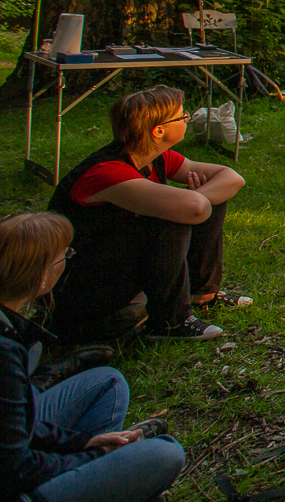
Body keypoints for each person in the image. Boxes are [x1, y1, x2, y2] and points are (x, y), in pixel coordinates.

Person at [0, 211, 186, 502]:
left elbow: (4, 425)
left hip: (11, 457)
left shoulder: (1, 329)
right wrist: (94, 456)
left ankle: (98, 494)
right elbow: (14, 470)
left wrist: (84, 441)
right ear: (40, 279)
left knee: (108, 381)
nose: (67, 260)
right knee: (165, 453)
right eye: (62, 257)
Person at [47, 87, 249, 341]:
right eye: (181, 116)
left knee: (201, 201)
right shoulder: (108, 172)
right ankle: (171, 321)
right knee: (173, 215)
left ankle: (201, 293)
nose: (187, 118)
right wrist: (194, 201)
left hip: (115, 259)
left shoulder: (157, 157)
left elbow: (232, 178)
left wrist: (198, 199)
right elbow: (195, 208)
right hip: (80, 281)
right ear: (158, 131)